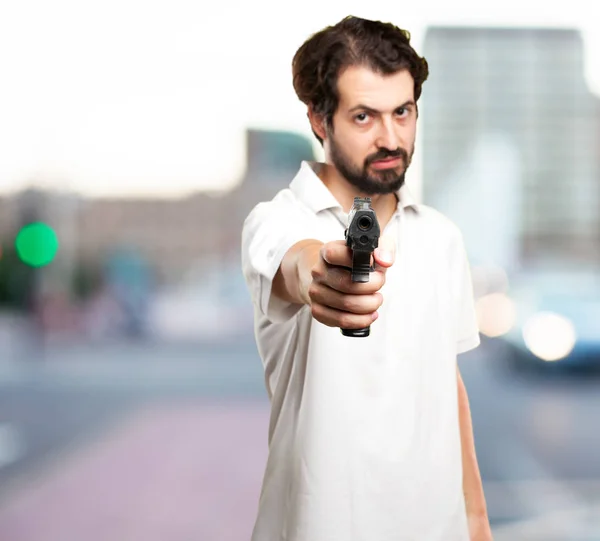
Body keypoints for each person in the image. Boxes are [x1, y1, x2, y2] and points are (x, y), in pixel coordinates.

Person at [241, 15, 492, 541]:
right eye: (363, 117)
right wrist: (325, 275)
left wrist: (476, 523)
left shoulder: (441, 236)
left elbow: (447, 385)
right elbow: (298, 264)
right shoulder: (276, 221)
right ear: (319, 119)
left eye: (402, 112)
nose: (390, 137)